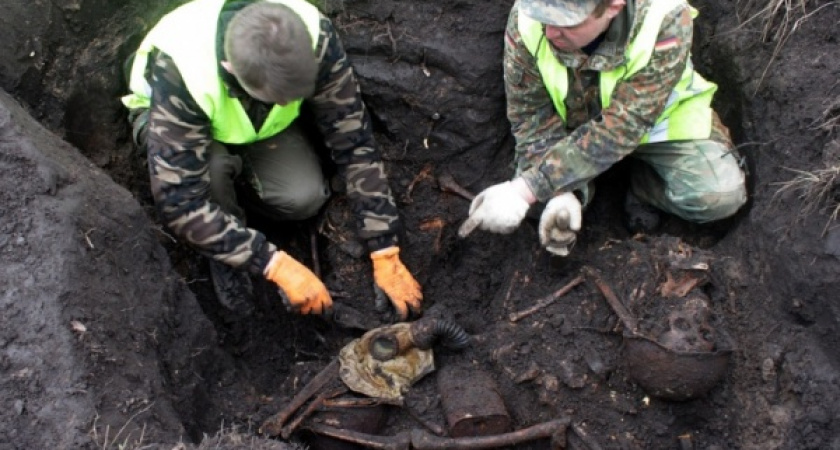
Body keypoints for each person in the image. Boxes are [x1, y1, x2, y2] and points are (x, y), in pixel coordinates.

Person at [121, 0, 422, 320]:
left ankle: (242, 193)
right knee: (213, 171)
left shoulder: (312, 35)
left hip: (256, 127)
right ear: (230, 69)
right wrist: (274, 264)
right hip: (175, 128)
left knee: (303, 198)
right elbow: (179, 204)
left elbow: (355, 143)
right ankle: (224, 249)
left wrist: (385, 249)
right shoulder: (183, 72)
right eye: (279, 97)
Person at [459, 0, 747, 256]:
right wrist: (561, 194)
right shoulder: (530, 17)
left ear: (613, 6)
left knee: (718, 197)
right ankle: (581, 191)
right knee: (537, 211)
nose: (549, 33)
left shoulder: (664, 18)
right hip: (571, 131)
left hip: (657, 125)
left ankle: (643, 186)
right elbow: (530, 116)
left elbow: (622, 126)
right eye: (546, 18)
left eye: (566, 22)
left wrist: (528, 188)